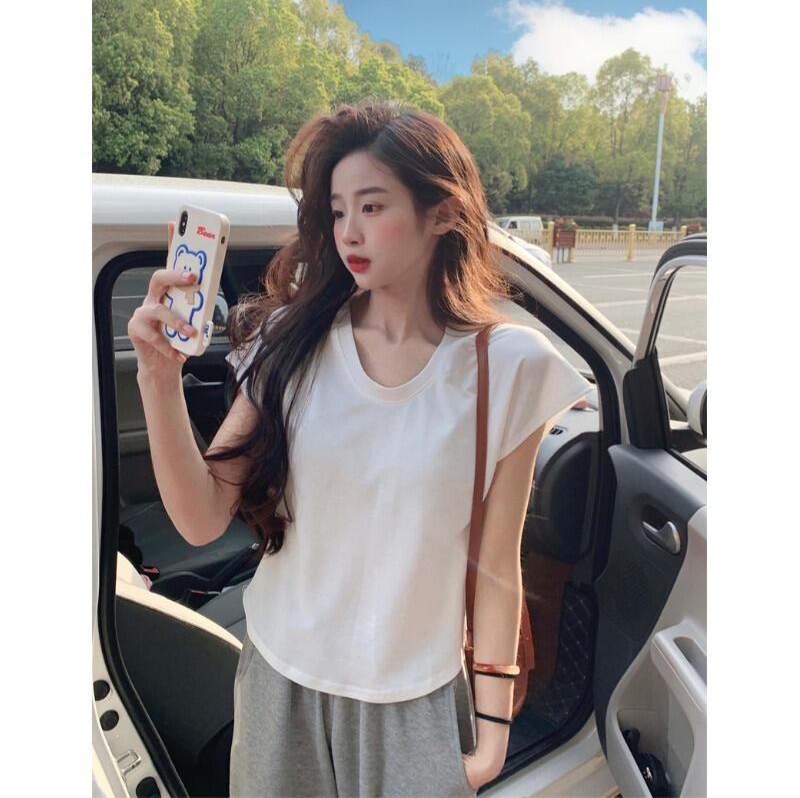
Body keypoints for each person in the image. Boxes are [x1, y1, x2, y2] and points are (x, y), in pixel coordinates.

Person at [129, 99, 594, 797]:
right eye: (338, 210)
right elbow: (200, 518)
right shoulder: (289, 342)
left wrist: (493, 734)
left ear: (443, 214)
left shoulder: (508, 367)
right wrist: (159, 379)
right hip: (281, 683)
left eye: (372, 207)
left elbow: (497, 565)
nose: (349, 231)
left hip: (415, 699)